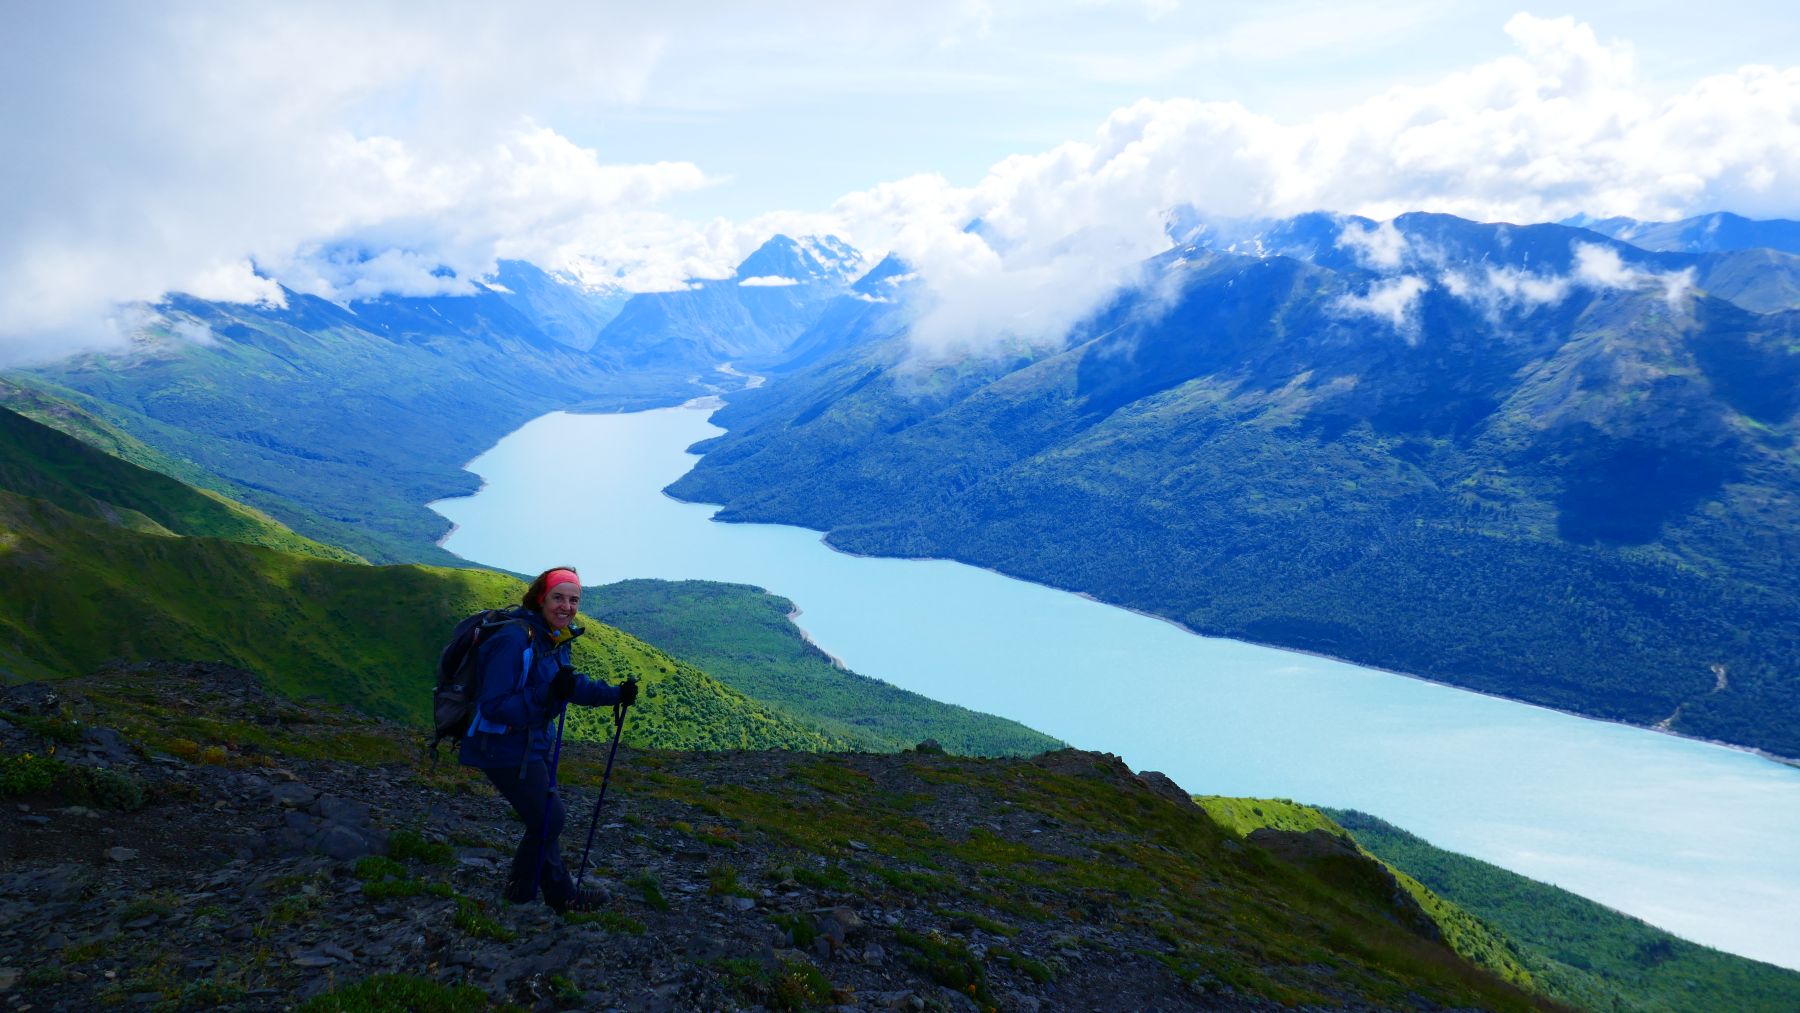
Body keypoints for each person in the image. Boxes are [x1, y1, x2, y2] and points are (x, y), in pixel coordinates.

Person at [460, 566, 639, 912]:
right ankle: (545, 893)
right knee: (549, 818)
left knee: (544, 818)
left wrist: (615, 694)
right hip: (501, 746)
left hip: (534, 741)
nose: (566, 607)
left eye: (574, 600)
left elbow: (568, 685)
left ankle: (531, 891)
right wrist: (547, 694)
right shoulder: (514, 640)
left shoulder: (553, 638)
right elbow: (493, 705)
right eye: (558, 597)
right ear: (541, 598)